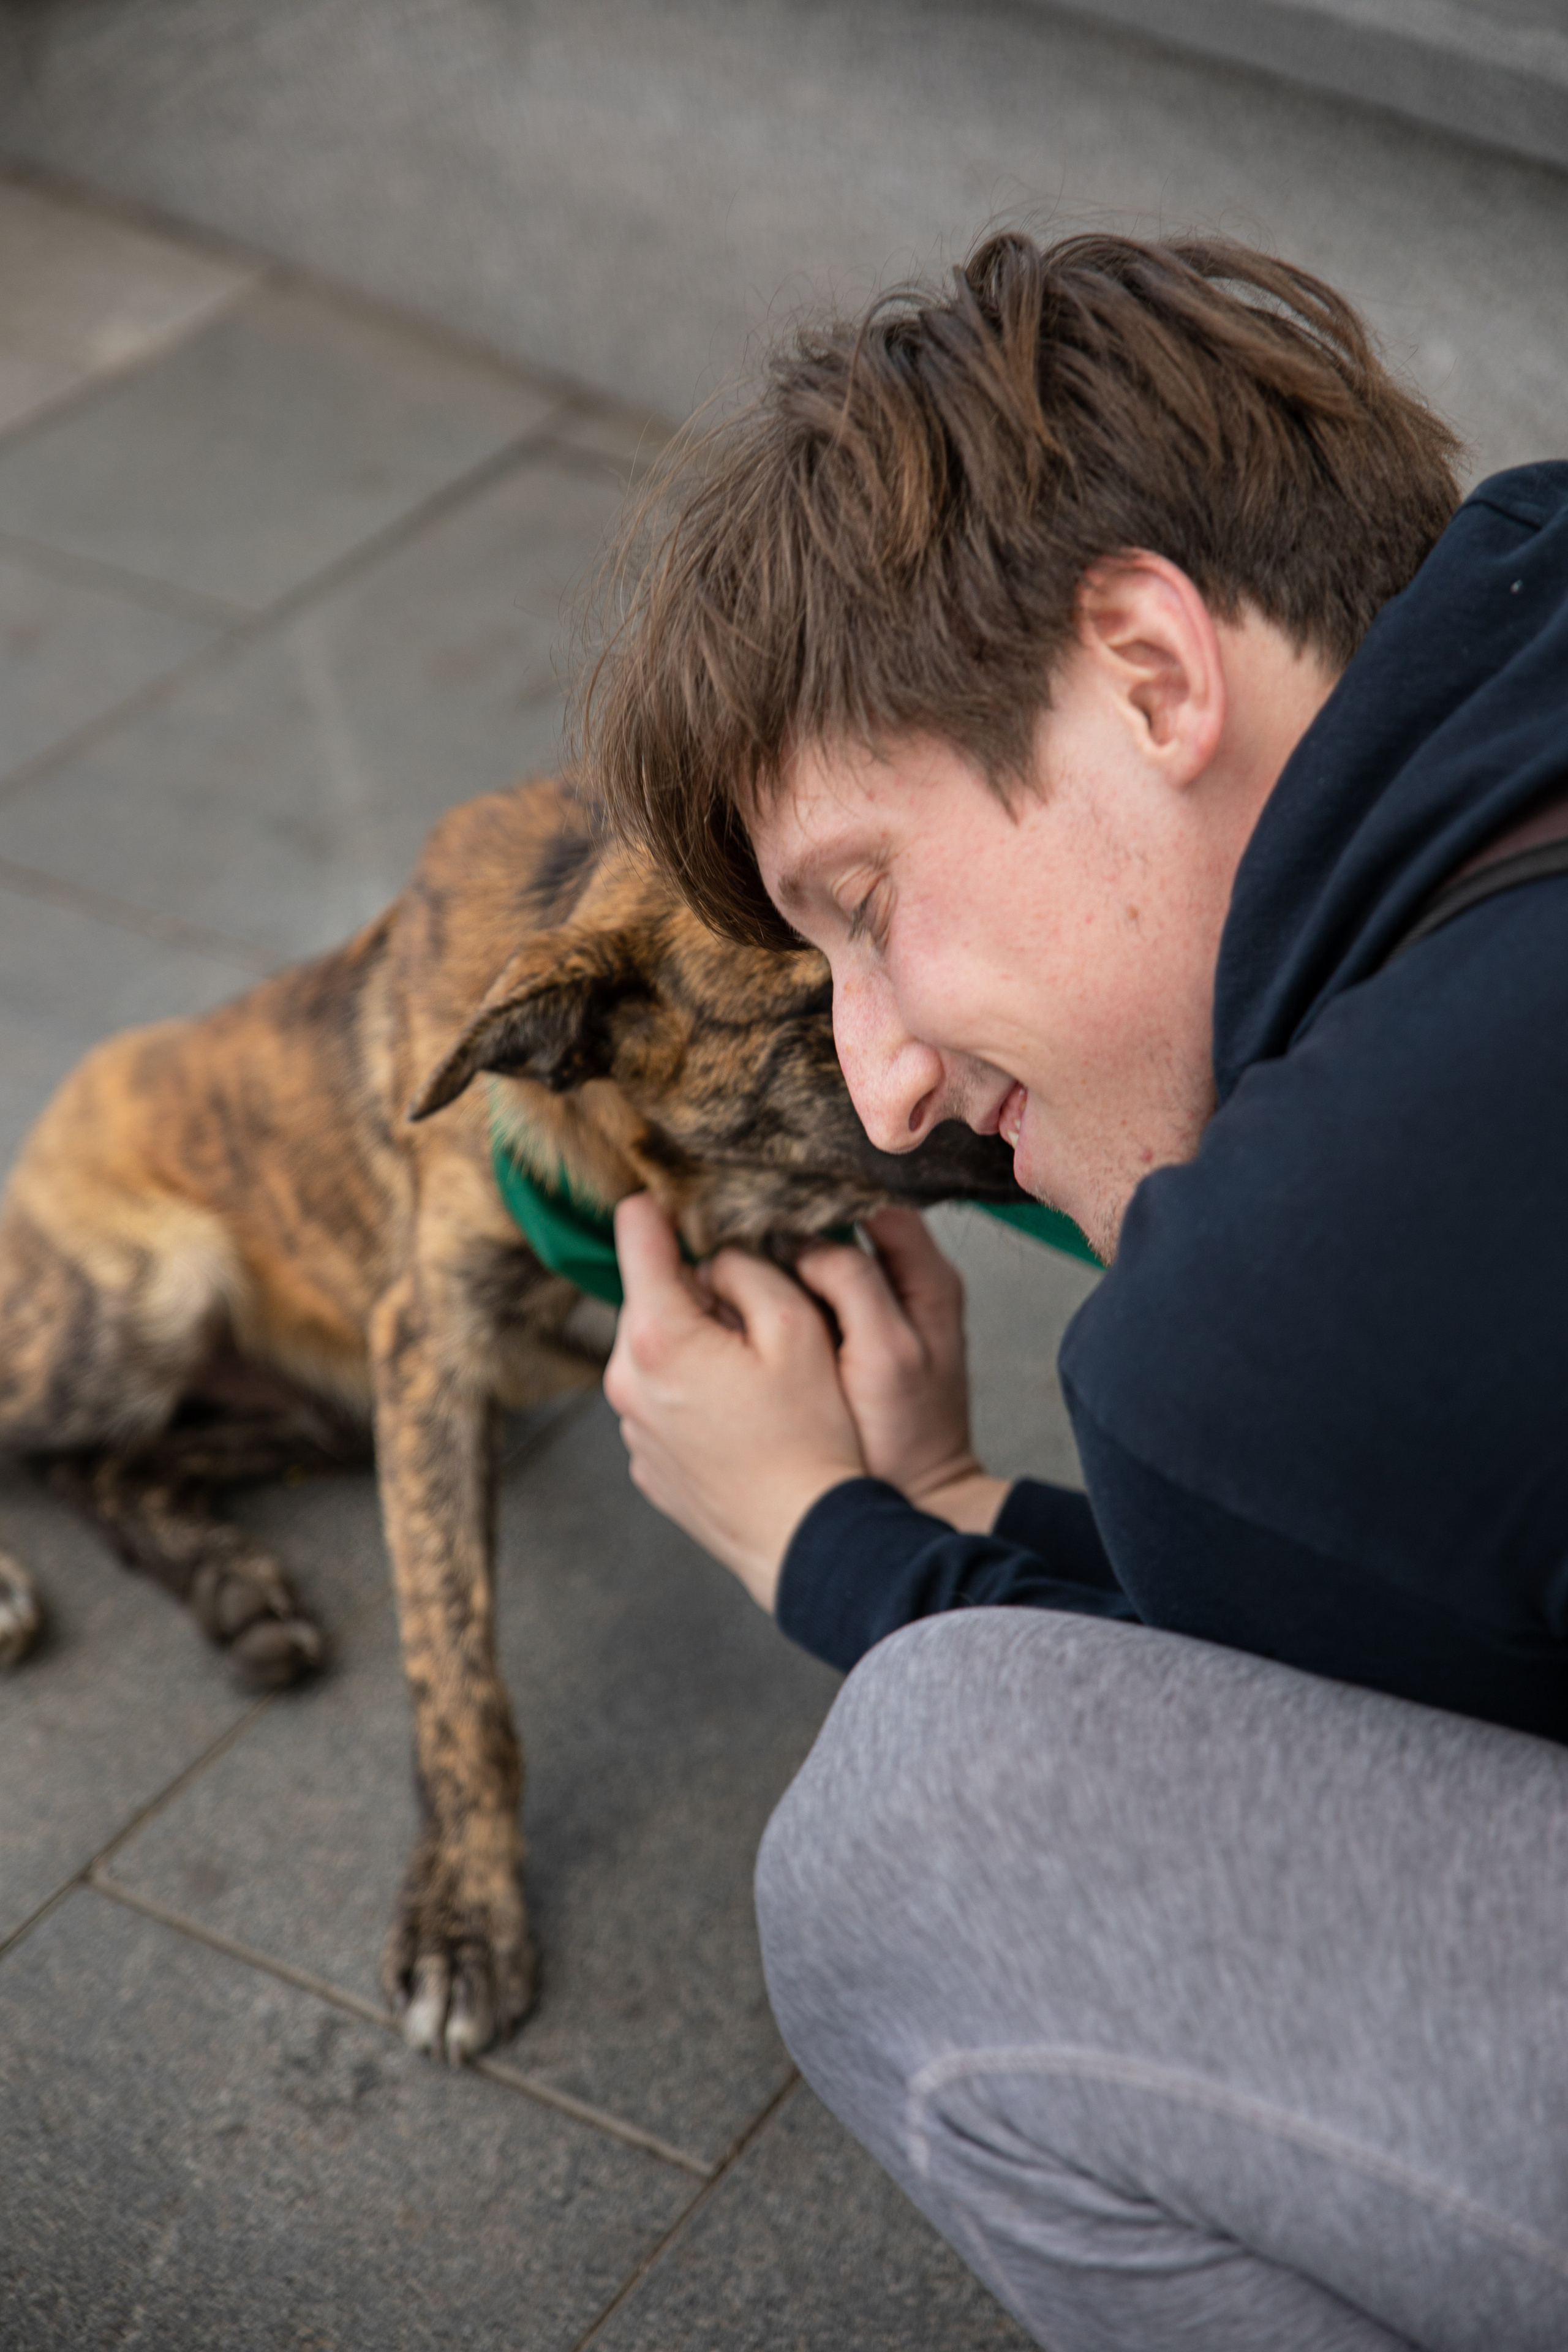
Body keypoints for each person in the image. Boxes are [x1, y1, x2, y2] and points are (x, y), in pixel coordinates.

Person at [584, 232, 1568, 2348]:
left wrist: (832, 1540)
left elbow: (1300, 1757)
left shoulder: (1282, 1315)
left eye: (863, 910)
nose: (884, 1079)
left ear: (1147, 666)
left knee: (932, 1837)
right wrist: (949, 1499)